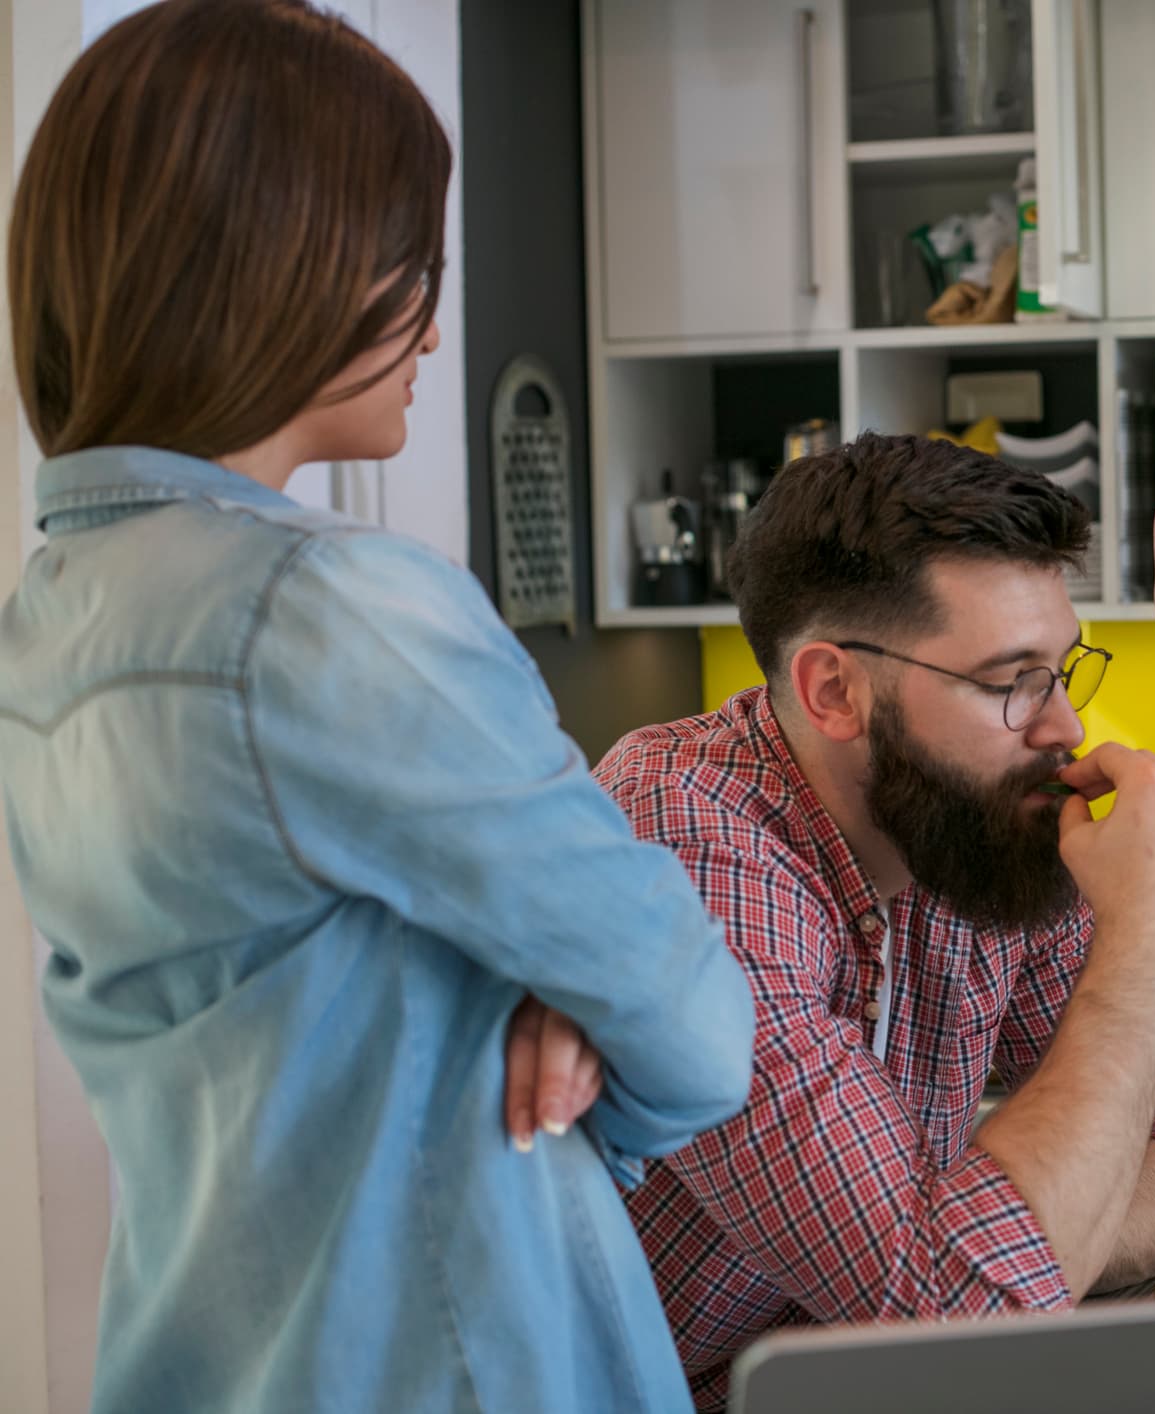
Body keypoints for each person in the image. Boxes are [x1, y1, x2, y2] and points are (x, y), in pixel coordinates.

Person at [0, 4, 753, 1410]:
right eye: (415, 263)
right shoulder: (329, 606)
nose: (433, 320)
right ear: (288, 262)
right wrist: (596, 1028)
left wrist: (563, 996)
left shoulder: (52, 617)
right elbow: (693, 1016)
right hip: (455, 1361)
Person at [596, 432, 1155, 1410]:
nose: (1064, 726)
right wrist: (1147, 943)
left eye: (1062, 670)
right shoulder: (686, 845)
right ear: (834, 691)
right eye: (1010, 680)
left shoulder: (973, 820)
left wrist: (1020, 1251)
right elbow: (950, 1309)